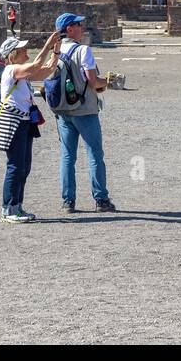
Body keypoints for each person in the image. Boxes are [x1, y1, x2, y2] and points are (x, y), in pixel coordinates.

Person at [49, 13, 117, 213]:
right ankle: (101, 199)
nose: (82, 27)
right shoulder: (83, 50)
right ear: (69, 29)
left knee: (67, 156)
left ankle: (68, 202)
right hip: (85, 110)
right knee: (95, 154)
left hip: (62, 110)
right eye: (79, 24)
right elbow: (93, 82)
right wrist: (109, 82)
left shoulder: (55, 51)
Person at [0, 32, 62, 223]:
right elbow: (35, 65)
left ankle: (17, 206)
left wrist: (56, 50)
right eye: (22, 49)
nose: (26, 50)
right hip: (13, 121)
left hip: (25, 121)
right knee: (15, 166)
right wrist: (47, 45)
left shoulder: (22, 73)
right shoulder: (11, 70)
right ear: (12, 54)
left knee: (24, 166)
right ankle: (8, 209)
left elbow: (47, 69)